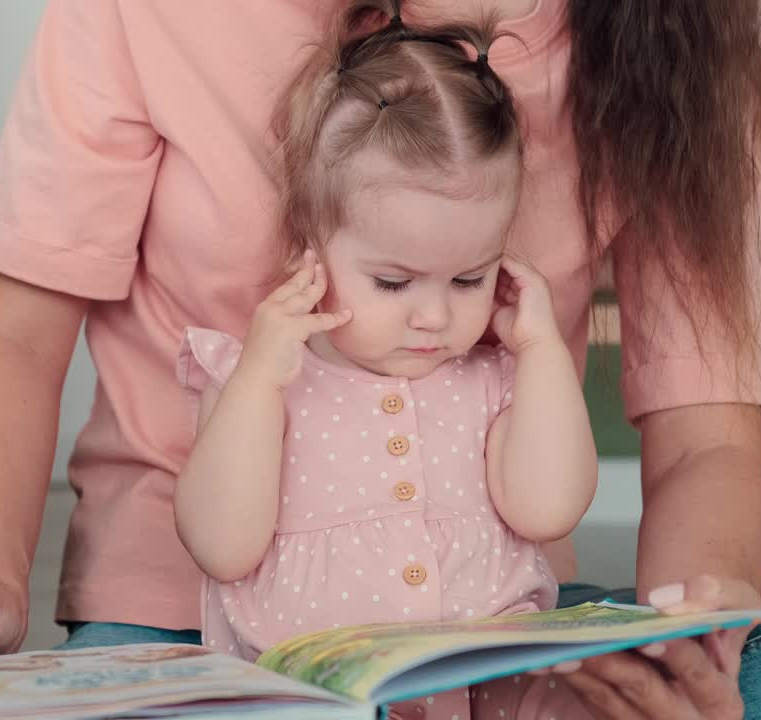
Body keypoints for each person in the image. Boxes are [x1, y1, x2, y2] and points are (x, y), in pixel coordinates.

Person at [0, 1, 761, 718]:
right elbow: (17, 325)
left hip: (485, 635)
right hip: (184, 638)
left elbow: (701, 434)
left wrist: (692, 655)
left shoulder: (665, 48)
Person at [173, 10, 596, 716]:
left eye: (469, 279)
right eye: (394, 283)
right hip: (310, 690)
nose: (433, 316)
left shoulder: (496, 384)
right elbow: (222, 547)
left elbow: (549, 508)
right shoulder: (259, 384)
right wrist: (256, 382)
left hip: (482, 688)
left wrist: (543, 351)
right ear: (310, 249)